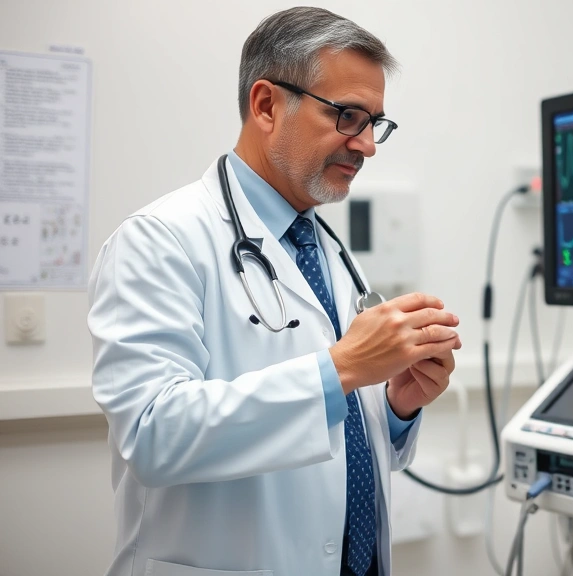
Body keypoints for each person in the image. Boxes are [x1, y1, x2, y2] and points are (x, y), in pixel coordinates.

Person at [87, 8, 459, 576]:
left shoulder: (326, 250)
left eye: (375, 123)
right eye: (348, 116)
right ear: (266, 105)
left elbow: (331, 441)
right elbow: (153, 436)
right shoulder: (160, 240)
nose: (367, 145)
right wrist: (342, 368)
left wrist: (395, 406)